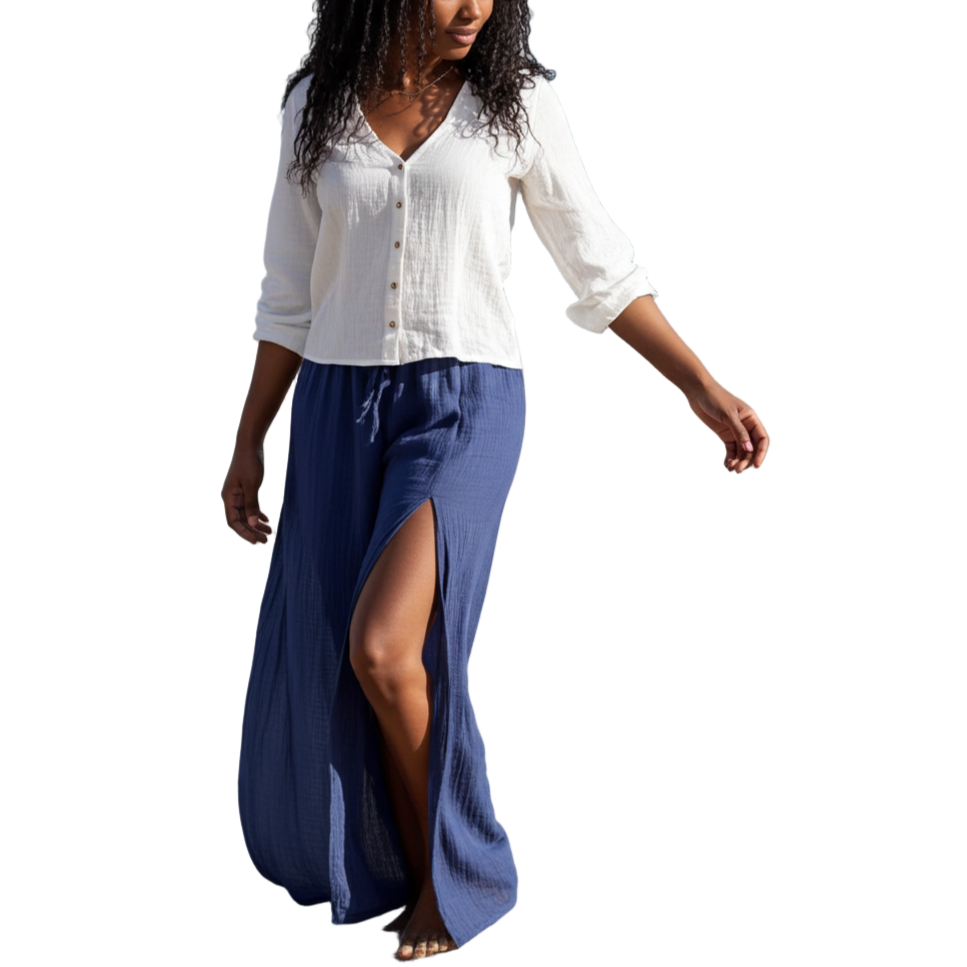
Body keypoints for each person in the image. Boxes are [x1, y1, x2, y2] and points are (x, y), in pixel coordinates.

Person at [221, 0, 769, 961]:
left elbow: (598, 262)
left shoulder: (516, 104)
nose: (474, 5)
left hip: (465, 402)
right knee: (343, 658)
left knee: (384, 647)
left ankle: (455, 877)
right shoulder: (315, 103)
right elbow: (290, 290)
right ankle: (408, 869)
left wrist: (699, 384)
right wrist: (248, 439)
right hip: (335, 407)